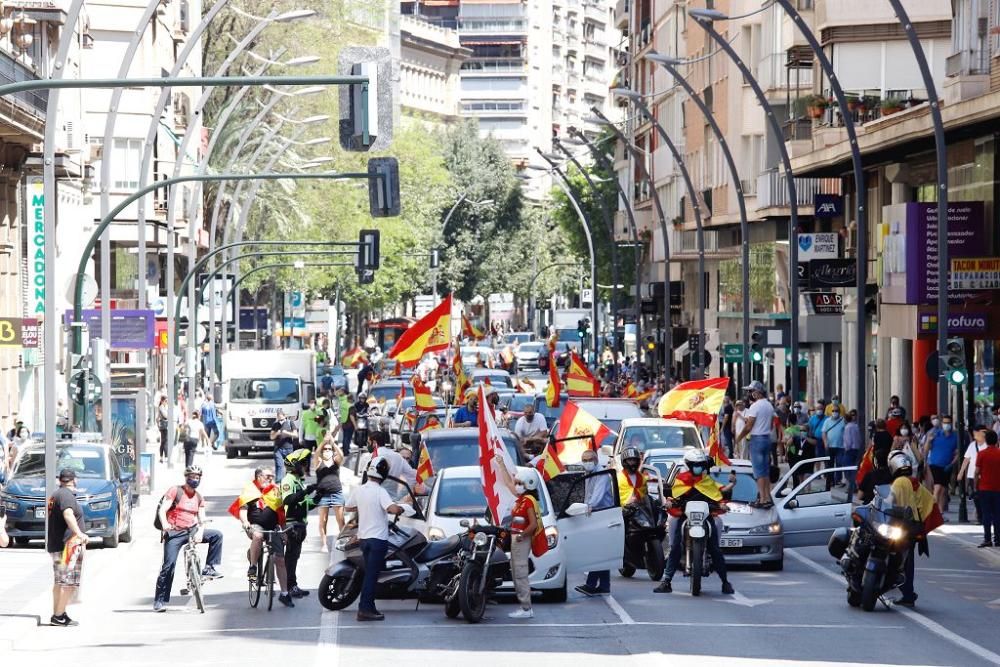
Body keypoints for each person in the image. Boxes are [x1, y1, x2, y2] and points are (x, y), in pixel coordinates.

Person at [655, 450, 735, 595]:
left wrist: (723, 502)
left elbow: (719, 494)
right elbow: (672, 496)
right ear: (688, 465)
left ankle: (725, 582)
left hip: (705, 517)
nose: (698, 467)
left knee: (715, 549)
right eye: (694, 465)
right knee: (675, 547)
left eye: (700, 465)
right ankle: (666, 581)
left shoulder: (707, 481)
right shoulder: (681, 480)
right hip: (685, 517)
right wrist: (669, 503)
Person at [153, 465, 224, 612]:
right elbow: (163, 509)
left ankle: (209, 568)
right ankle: (160, 600)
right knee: (168, 566)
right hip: (174, 532)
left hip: (192, 530)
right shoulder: (176, 491)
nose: (195, 480)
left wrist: (200, 532)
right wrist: (165, 524)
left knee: (216, 535)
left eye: (197, 477)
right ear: (186, 477)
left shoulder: (199, 497)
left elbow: (202, 518)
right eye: (192, 477)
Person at [344, 456, 406, 621]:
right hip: (378, 540)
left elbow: (348, 506)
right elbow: (392, 509)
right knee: (372, 576)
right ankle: (364, 609)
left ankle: (370, 607)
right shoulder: (380, 491)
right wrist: (400, 508)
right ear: (383, 473)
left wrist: (364, 505)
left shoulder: (360, 489)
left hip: (364, 539)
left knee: (369, 574)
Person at [885, 450, 937, 607]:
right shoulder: (914, 482)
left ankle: (906, 592)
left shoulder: (899, 482)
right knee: (907, 561)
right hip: (914, 527)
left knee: (899, 559)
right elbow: (929, 500)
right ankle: (907, 592)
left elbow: (889, 501)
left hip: (902, 526)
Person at [238, 467, 295, 607]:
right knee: (257, 536)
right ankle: (252, 566)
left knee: (280, 560)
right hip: (256, 525)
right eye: (267, 476)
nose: (270, 478)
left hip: (273, 527)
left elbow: (281, 513)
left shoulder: (275, 491)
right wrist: (245, 522)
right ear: (258, 476)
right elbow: (243, 509)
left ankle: (284, 593)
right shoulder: (250, 490)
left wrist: (283, 531)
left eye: (272, 476)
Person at [47, 468, 88, 626]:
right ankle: (58, 615)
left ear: (60, 480)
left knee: (60, 581)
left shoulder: (56, 494)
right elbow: (68, 514)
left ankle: (59, 613)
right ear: (74, 480)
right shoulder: (66, 495)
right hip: (67, 546)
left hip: (58, 545)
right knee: (69, 583)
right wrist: (79, 534)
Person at [503, 469, 543, 619]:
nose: (517, 486)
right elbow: (508, 483)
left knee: (520, 573)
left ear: (528, 485)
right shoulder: (521, 499)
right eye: (517, 483)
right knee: (515, 572)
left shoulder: (528, 501)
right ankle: (524, 606)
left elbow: (532, 524)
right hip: (516, 538)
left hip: (521, 539)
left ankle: (526, 608)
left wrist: (522, 534)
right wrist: (501, 465)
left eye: (520, 483)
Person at [280, 449, 320, 599]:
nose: (305, 467)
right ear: (295, 466)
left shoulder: (298, 481)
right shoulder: (288, 480)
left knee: (294, 557)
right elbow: (288, 500)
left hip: (300, 524)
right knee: (290, 557)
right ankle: (290, 587)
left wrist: (318, 496)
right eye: (303, 464)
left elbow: (304, 504)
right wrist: (306, 492)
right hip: (291, 525)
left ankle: (293, 585)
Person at [574, 448, 613, 596]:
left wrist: (587, 507)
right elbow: (587, 495)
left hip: (603, 515)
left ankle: (591, 584)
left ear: (596, 461)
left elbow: (596, 497)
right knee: (600, 552)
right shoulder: (588, 474)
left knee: (598, 552)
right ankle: (604, 585)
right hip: (594, 514)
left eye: (589, 459)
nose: (586, 462)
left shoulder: (601, 474)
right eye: (584, 460)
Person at [735, 381, 775, 508]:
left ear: (757, 393)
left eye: (751, 391)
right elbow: (771, 422)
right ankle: (767, 496)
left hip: (757, 439)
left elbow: (749, 426)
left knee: (758, 471)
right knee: (765, 470)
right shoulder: (769, 405)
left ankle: (762, 499)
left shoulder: (755, 406)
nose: (749, 394)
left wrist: (738, 438)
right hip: (766, 438)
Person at [314, 434, 346, 552]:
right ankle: (324, 544)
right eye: (325, 449)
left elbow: (341, 455)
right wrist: (323, 443)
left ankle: (343, 541)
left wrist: (333, 443)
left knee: (340, 519)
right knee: (323, 520)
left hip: (336, 493)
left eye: (329, 449)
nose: (327, 451)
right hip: (323, 495)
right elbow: (316, 453)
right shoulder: (318, 461)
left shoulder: (336, 461)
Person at [926, 414, 959, 515]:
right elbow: (927, 448)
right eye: (944, 423)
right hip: (935, 464)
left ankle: (940, 512)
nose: (946, 425)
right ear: (942, 423)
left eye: (948, 423)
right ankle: (931, 511)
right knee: (938, 487)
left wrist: (952, 464)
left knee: (944, 490)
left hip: (947, 466)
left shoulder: (955, 437)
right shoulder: (935, 434)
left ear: (951, 423)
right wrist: (929, 440)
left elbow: (957, 453)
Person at [958, 426, 989, 530]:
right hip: (972, 475)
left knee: (984, 497)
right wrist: (961, 472)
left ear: (983, 433)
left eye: (977, 433)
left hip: (985, 475)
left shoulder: (988, 444)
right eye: (974, 433)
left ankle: (985, 516)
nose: (975, 435)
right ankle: (980, 517)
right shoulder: (972, 445)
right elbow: (966, 460)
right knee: (976, 497)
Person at [973, 429, 1000, 548]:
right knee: (998, 514)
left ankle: (987, 538)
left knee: (986, 514)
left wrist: (975, 486)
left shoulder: (982, 454)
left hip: (984, 487)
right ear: (997, 441)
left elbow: (977, 472)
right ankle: (998, 538)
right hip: (998, 488)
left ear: (986, 441)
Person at [270, 409, 298, 481]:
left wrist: (287, 433)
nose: (279, 418)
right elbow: (271, 437)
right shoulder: (275, 424)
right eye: (278, 416)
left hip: (288, 448)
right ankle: (278, 482)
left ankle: (289, 481)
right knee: (279, 466)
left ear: (284, 416)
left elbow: (295, 435)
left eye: (280, 416)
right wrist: (277, 433)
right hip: (278, 449)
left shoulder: (290, 423)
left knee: (290, 466)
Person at [822, 405, 846, 487]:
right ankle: (830, 481)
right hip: (830, 446)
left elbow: (846, 432)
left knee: (839, 463)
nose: (834, 412)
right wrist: (825, 443)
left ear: (839, 412)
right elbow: (824, 432)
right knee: (830, 464)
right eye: (833, 411)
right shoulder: (827, 421)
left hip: (840, 446)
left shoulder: (843, 420)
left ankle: (838, 480)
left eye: (836, 411)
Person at [842, 410, 863, 495]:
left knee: (847, 468)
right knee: (854, 468)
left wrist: (847, 448)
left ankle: (852, 486)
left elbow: (848, 441)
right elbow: (859, 439)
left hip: (849, 450)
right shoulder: (856, 426)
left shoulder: (848, 427)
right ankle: (854, 485)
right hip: (856, 449)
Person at [157, 395, 170, 463]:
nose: (166, 402)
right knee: (165, 441)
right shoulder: (161, 407)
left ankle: (162, 457)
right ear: (162, 401)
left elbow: (157, 418)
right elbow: (165, 416)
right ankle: (166, 456)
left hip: (165, 425)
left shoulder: (164, 407)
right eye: (165, 401)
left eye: (167, 401)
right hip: (164, 426)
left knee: (163, 441)